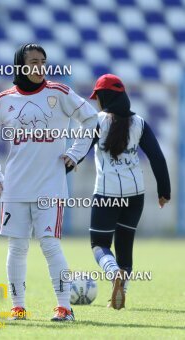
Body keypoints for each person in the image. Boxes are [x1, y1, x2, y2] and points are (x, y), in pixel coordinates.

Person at [0, 43, 98, 321]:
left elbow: (91, 119)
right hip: (15, 188)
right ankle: (18, 307)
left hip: (50, 187)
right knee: (17, 248)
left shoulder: (59, 93)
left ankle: (64, 308)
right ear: (20, 64)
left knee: (50, 244)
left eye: (42, 61)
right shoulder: (4, 99)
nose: (38, 67)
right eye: (32, 61)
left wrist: (75, 154)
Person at [87, 74, 170, 309]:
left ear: (104, 98)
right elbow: (157, 158)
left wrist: (61, 171)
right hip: (136, 196)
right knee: (125, 246)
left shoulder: (97, 121)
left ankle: (114, 274)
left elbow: (79, 152)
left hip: (106, 194)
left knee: (99, 244)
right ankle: (122, 291)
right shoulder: (140, 123)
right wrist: (164, 191)